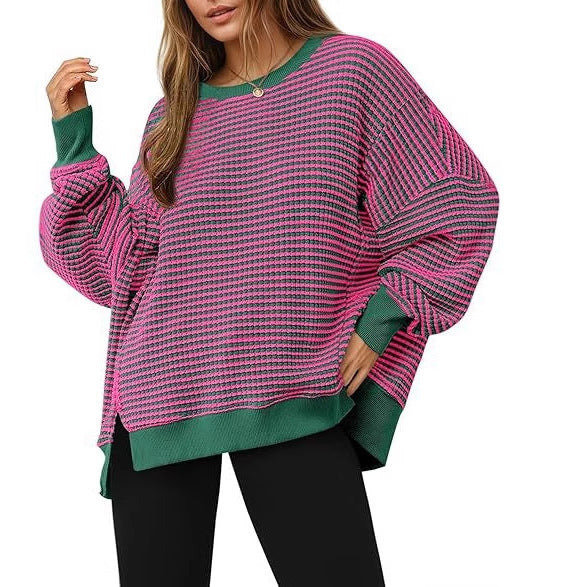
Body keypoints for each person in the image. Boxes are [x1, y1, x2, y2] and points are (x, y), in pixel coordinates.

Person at [39, 0, 499, 585]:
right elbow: (123, 268)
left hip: (292, 383)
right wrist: (74, 144)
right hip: (158, 395)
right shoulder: (172, 116)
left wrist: (382, 319)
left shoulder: (351, 71)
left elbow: (458, 202)